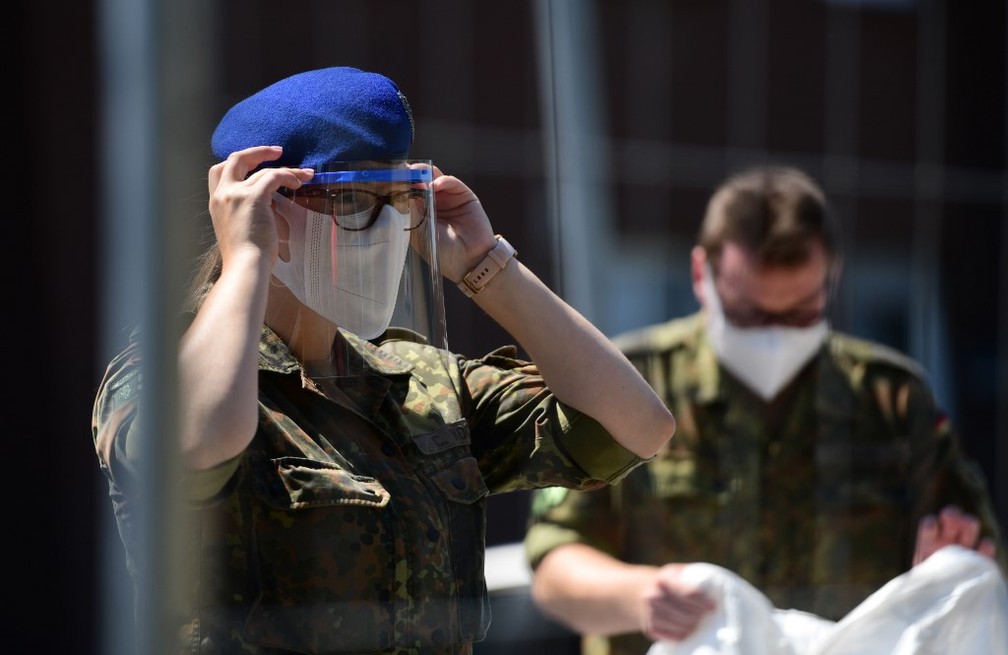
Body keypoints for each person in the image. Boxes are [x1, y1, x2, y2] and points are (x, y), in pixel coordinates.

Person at [91, 66, 676, 655]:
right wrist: (245, 257)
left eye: (400, 200)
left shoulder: (419, 383)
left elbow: (635, 427)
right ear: (265, 203)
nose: (388, 227)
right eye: (354, 201)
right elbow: (199, 439)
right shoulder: (166, 375)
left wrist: (488, 266)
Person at [522, 165, 1007, 655]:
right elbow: (554, 563)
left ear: (832, 277)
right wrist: (642, 595)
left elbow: (983, 564)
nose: (775, 335)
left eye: (801, 313)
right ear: (701, 275)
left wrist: (944, 570)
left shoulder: (893, 401)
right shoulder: (628, 384)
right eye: (748, 314)